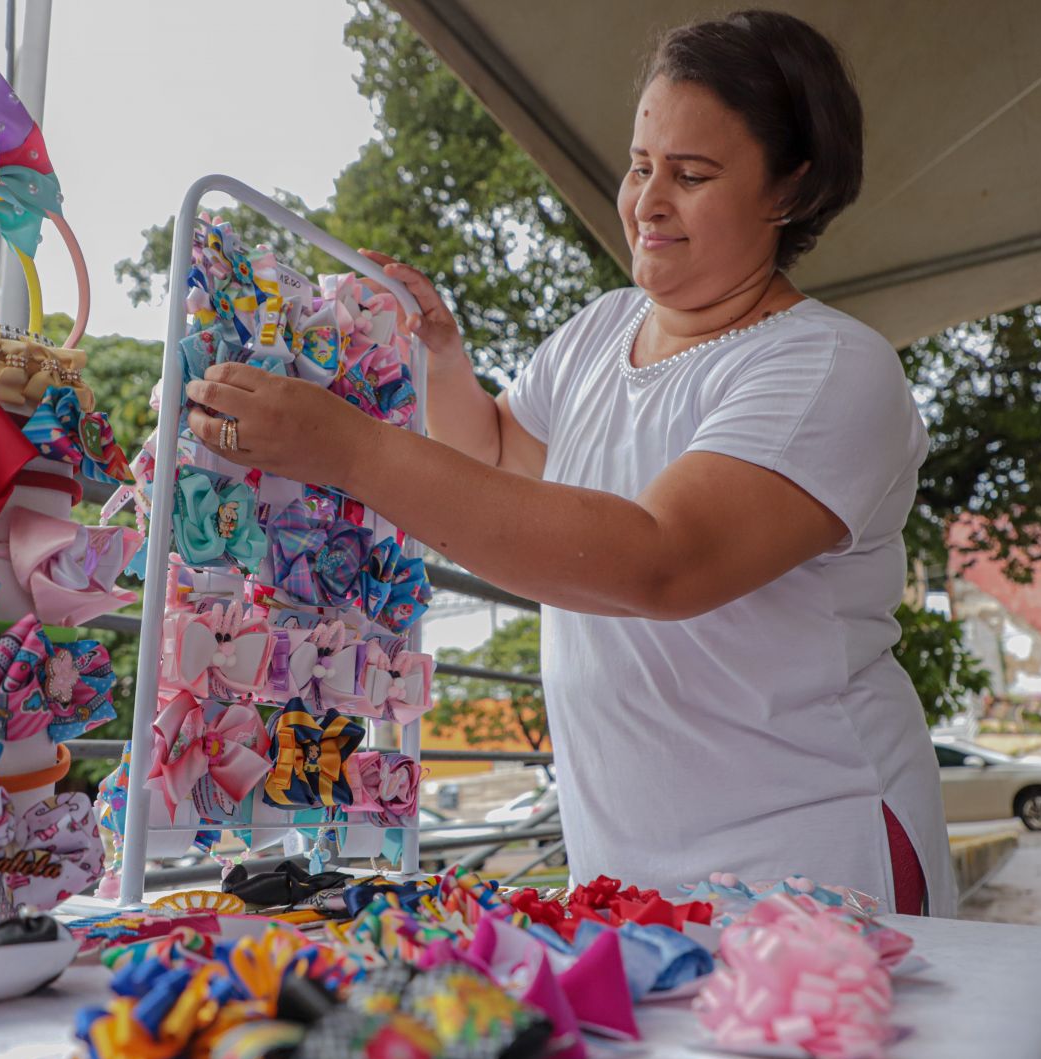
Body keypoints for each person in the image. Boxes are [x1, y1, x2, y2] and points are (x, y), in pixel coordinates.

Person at [185, 10, 955, 915]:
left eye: (692, 174)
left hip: (811, 850)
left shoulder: (831, 365)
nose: (648, 201)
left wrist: (348, 449)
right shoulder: (600, 330)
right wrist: (444, 361)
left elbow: (663, 559)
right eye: (640, 165)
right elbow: (499, 460)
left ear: (789, 189)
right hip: (624, 857)